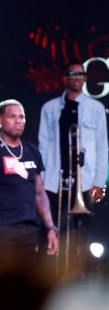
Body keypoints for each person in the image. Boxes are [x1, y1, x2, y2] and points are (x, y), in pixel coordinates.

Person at [37, 61, 108, 274]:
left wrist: (98, 182)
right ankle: (47, 272)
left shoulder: (95, 108)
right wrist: (40, 179)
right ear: (65, 78)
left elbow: (102, 144)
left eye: (80, 75)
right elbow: (43, 143)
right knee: (50, 227)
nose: (76, 78)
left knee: (79, 232)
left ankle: (76, 274)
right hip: (54, 178)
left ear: (85, 79)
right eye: (72, 74)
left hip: (84, 181)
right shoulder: (49, 108)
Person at [0, 99, 58, 262]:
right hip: (0, 229)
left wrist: (50, 227)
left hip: (30, 229)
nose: (18, 121)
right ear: (0, 120)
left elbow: (39, 193)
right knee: (0, 283)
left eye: (21, 117)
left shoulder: (32, 151)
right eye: (12, 116)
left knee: (28, 282)